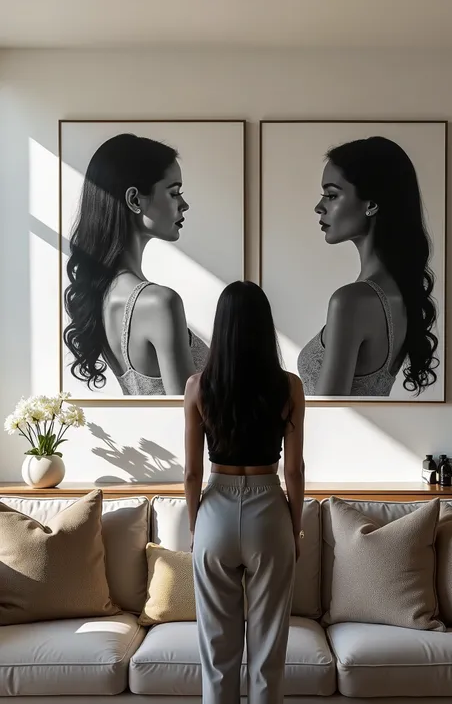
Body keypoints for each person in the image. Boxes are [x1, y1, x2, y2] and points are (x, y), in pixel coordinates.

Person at [184, 280, 305, 704]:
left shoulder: (198, 386)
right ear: (264, 326)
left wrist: (195, 527)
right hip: (269, 511)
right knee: (268, 651)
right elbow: (294, 469)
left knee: (217, 653)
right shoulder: (289, 386)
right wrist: (295, 530)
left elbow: (192, 474)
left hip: (215, 510)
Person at [63, 133, 208, 395]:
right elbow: (186, 418)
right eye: (174, 192)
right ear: (134, 200)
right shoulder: (159, 302)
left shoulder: (103, 295)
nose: (184, 205)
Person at [297, 135, 439, 398]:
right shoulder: (399, 293)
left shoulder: (351, 301)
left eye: (331, 195)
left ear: (371, 204)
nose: (319, 207)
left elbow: (331, 413)